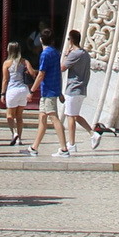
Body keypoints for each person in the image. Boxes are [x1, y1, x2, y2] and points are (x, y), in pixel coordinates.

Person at [31, 28, 69, 157]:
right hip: (50, 90)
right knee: (42, 117)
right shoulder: (55, 53)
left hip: (48, 91)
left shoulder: (45, 54)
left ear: (41, 40)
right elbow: (57, 73)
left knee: (53, 118)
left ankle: (64, 148)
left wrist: (32, 90)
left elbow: (41, 74)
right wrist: (60, 92)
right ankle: (34, 147)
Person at [60, 29, 94, 148]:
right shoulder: (85, 54)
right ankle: (92, 133)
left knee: (70, 116)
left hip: (73, 88)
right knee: (74, 115)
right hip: (81, 89)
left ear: (71, 40)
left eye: (68, 39)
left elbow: (62, 68)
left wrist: (66, 55)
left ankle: (72, 143)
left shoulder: (75, 54)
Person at [2, 42, 36, 152]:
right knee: (19, 116)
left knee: (9, 116)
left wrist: (2, 93)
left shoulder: (7, 63)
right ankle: (19, 139)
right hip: (23, 90)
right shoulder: (25, 61)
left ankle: (14, 133)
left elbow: (5, 80)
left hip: (12, 90)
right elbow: (33, 73)